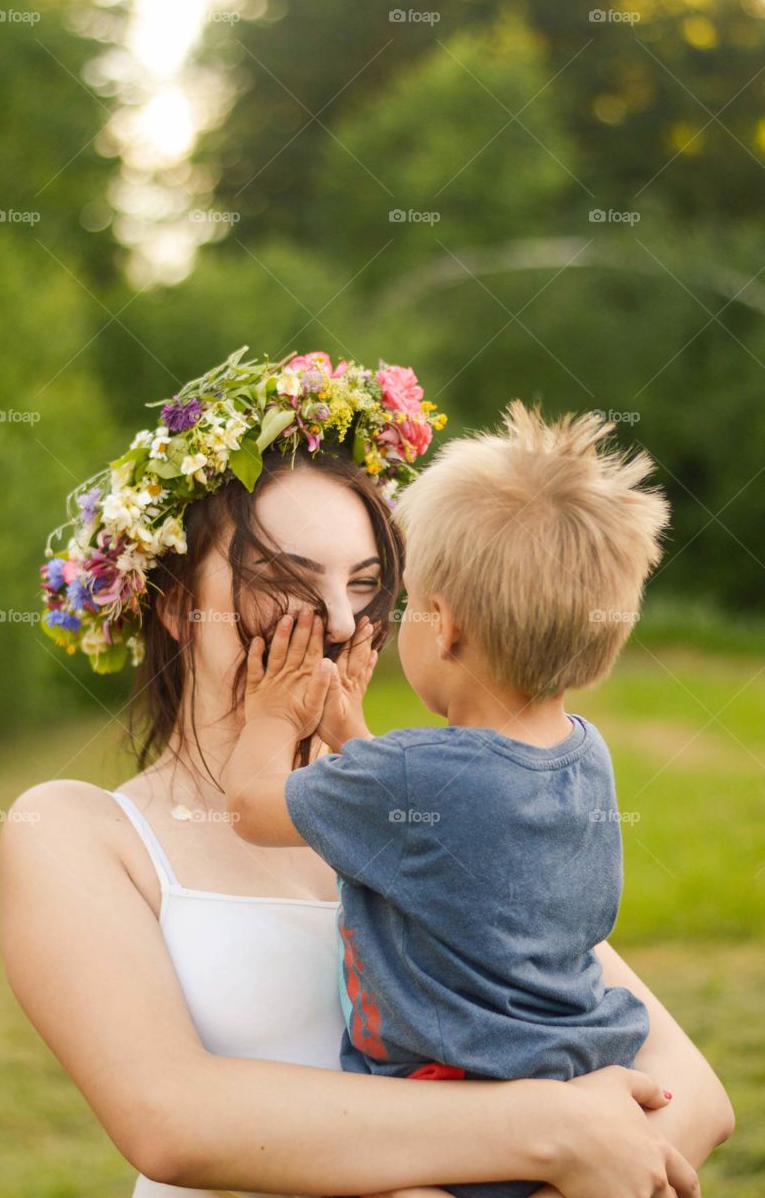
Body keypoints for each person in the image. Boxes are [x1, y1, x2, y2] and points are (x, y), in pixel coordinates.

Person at [0, 350, 731, 1198]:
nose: (344, 622)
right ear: (172, 603)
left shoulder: (450, 806)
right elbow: (174, 1119)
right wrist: (552, 1131)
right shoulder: (75, 831)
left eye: (369, 584)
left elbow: (695, 1095)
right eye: (286, 580)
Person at [223, 401, 685, 1198]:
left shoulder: (416, 771)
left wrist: (274, 711)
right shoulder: (584, 752)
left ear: (441, 626)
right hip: (574, 1072)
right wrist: (350, 736)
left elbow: (252, 808)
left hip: (453, 1115)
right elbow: (441, 831)